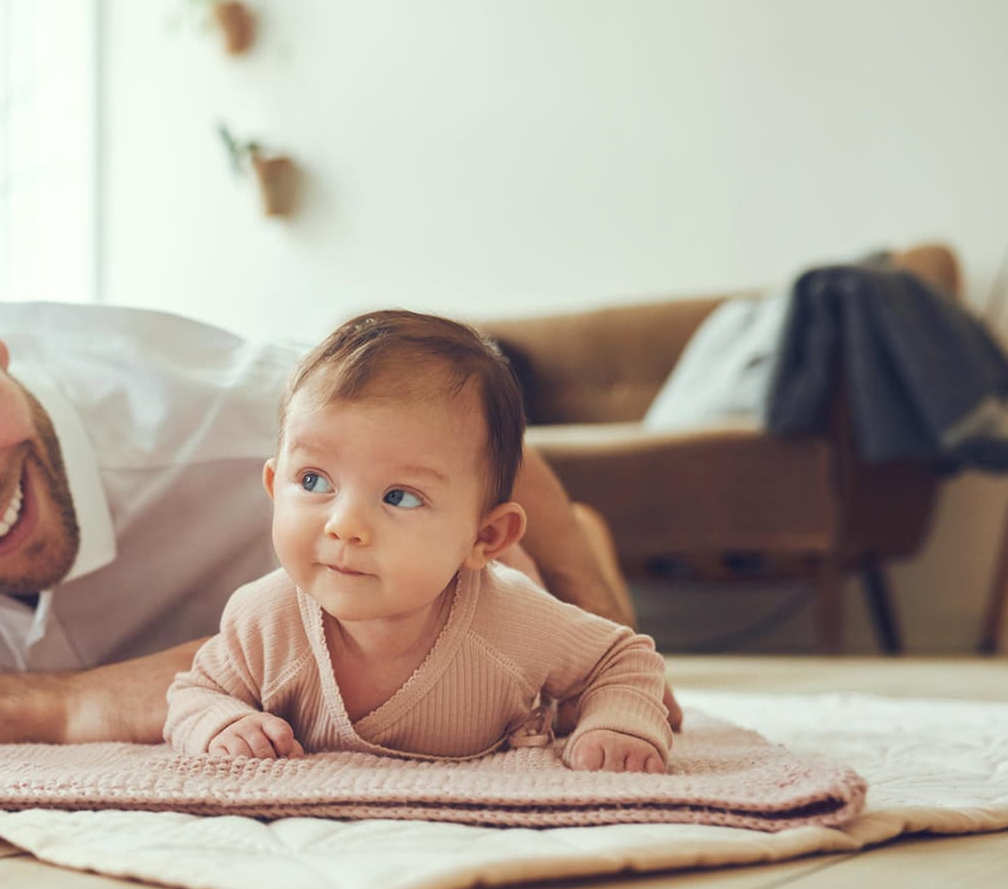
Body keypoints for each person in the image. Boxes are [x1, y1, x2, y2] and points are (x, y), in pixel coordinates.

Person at [0, 240, 679, 767]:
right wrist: (54, 707)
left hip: (445, 593)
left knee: (522, 599)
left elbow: (474, 447)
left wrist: (609, 627)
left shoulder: (231, 419)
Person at [164, 310, 672, 772]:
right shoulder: (264, 618)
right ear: (276, 488)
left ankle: (578, 534)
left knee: (549, 614)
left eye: (399, 497)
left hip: (503, 582)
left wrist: (618, 724)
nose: (344, 525)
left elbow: (622, 659)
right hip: (469, 560)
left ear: (485, 535)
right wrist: (220, 722)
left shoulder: (516, 621)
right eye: (315, 481)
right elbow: (195, 692)